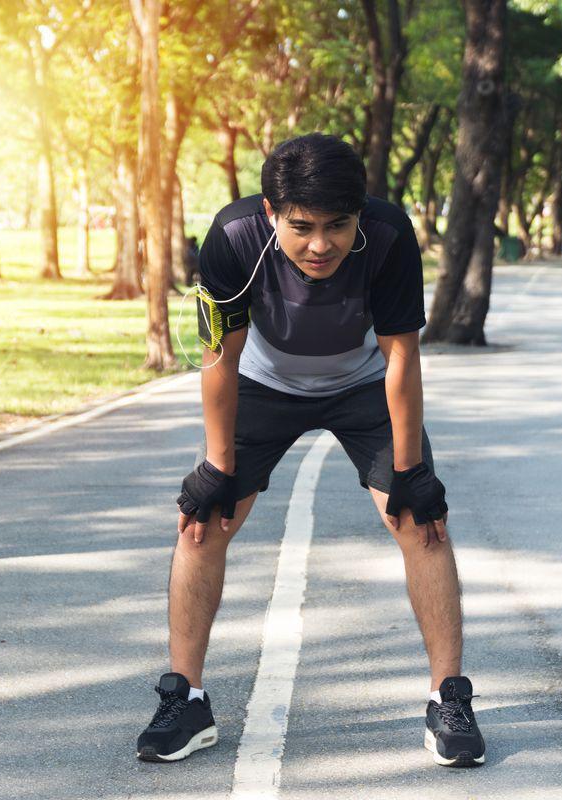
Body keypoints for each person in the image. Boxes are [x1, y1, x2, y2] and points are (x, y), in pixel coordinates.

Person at [136, 134, 485, 768]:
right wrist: (217, 467)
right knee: (200, 524)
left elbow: (402, 353)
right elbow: (220, 354)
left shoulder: (388, 233)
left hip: (363, 383)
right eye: (301, 227)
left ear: (359, 216)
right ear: (271, 212)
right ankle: (185, 698)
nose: (320, 244)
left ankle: (449, 698)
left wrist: (410, 472)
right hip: (265, 383)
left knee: (420, 521)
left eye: (336, 226)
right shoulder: (235, 237)